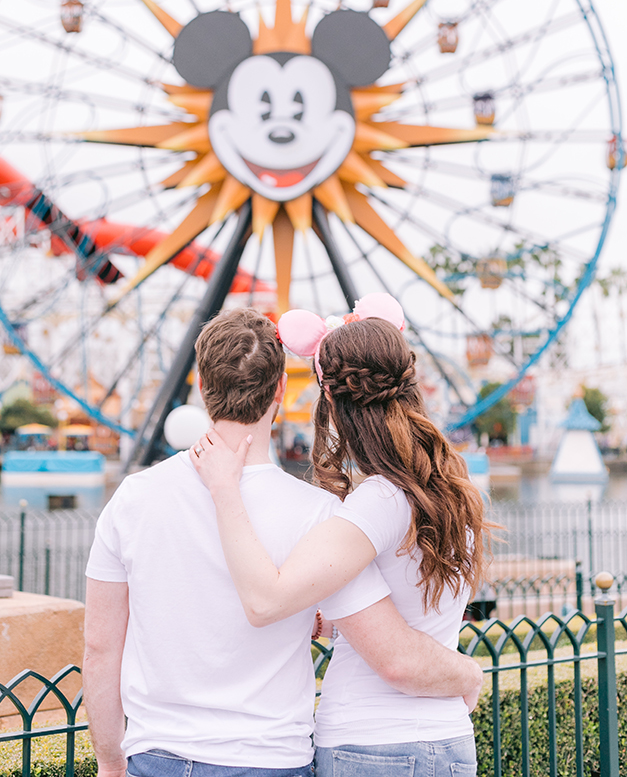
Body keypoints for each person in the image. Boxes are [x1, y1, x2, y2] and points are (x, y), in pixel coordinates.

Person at [83, 306, 482, 777]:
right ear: (279, 390)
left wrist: (110, 760)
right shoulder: (321, 513)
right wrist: (468, 672)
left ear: (202, 384)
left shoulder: (133, 498)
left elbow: (101, 649)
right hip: (269, 757)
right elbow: (381, 638)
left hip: (157, 754)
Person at [191, 294, 491, 777]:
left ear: (328, 396)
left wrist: (225, 490)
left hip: (373, 745)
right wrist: (328, 620)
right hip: (446, 739)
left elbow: (267, 600)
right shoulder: (445, 487)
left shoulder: (378, 501)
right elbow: (406, 608)